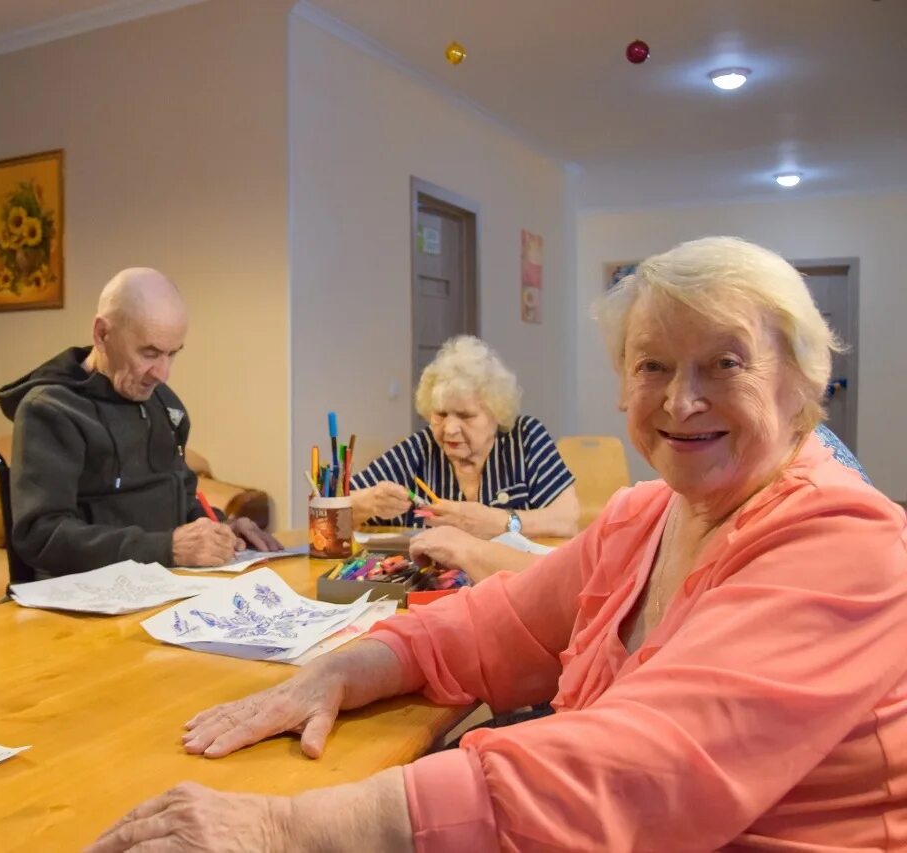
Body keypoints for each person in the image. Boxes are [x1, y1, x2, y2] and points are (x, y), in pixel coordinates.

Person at [88, 237, 907, 851]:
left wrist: (280, 826)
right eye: (652, 364)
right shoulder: (644, 515)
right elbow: (494, 625)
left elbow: (630, 775)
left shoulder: (847, 542)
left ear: (804, 380)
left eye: (724, 363)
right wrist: (339, 669)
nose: (681, 399)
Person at [0, 268, 280, 579]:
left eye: (173, 354)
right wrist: (167, 548)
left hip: (165, 585)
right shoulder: (50, 410)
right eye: (150, 353)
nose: (162, 373)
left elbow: (182, 500)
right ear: (102, 334)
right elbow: (41, 536)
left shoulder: (164, 405)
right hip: (82, 603)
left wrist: (220, 527)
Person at [349, 335, 579, 579]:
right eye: (440, 414)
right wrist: (370, 501)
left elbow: (567, 518)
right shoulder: (421, 448)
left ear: (496, 412)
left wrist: (498, 521)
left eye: (465, 416)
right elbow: (333, 509)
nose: (449, 429)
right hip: (436, 591)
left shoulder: (524, 438)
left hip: (516, 584)